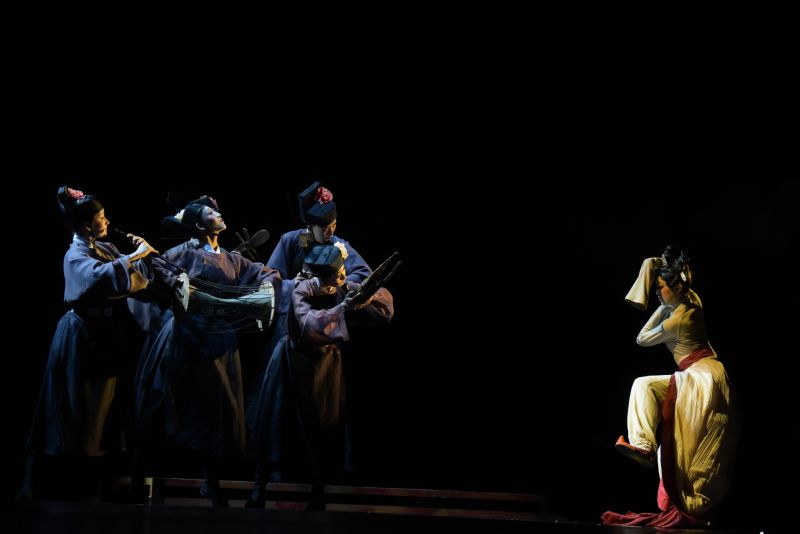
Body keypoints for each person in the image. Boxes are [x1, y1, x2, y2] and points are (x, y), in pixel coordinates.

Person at [135, 195, 280, 507]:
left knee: (220, 410)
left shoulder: (231, 258)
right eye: (210, 212)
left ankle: (209, 480)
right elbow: (157, 268)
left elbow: (266, 273)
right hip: (189, 336)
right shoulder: (182, 253)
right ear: (199, 226)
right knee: (188, 406)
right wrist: (179, 286)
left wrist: (263, 289)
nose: (218, 213)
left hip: (220, 338)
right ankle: (162, 478)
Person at [17, 186, 155, 503]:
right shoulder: (74, 255)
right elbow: (100, 278)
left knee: (106, 409)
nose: (106, 221)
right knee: (63, 405)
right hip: (79, 336)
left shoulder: (104, 248)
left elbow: (135, 278)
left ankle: (101, 485)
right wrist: (135, 257)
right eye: (100, 217)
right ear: (85, 225)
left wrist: (144, 256)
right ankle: (34, 480)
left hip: (106, 335)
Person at [244, 182, 371, 501]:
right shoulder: (291, 241)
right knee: (278, 403)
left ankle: (320, 478)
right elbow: (270, 279)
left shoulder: (341, 246)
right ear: (308, 224)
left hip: (324, 340)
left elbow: (363, 278)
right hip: (290, 334)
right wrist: (298, 285)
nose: (329, 231)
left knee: (322, 410)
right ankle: (270, 469)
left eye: (332, 224)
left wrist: (341, 284)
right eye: (322, 226)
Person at [602, 245, 739, 528]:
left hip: (701, 378)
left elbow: (641, 338)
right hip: (707, 375)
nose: (657, 292)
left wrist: (662, 307)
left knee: (644, 386)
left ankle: (643, 446)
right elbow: (676, 284)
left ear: (676, 287)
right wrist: (659, 269)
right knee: (674, 437)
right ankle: (646, 448)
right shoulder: (692, 299)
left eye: (660, 287)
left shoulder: (676, 320)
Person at [247, 243, 393, 508]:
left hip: (324, 365)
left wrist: (367, 299)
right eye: (338, 274)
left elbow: (383, 311)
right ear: (324, 276)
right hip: (292, 360)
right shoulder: (301, 289)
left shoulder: (343, 288)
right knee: (275, 417)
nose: (343, 277)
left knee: (323, 425)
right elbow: (309, 323)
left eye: (342, 272)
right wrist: (343, 309)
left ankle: (318, 489)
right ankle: (260, 484)